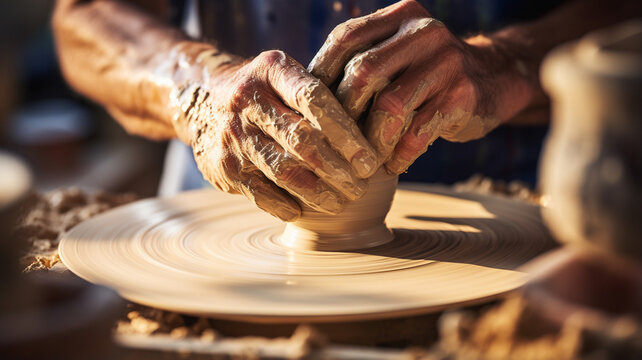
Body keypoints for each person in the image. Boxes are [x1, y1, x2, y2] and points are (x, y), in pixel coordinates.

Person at [52, 0, 641, 221]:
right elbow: (84, 17)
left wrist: (508, 61)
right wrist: (199, 87)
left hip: (522, 217)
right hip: (219, 216)